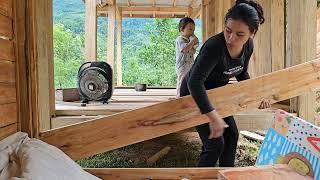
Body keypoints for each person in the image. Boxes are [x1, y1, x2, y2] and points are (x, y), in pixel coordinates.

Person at [179, 0, 270, 167]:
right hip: (193, 93)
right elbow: (195, 82)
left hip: (217, 95)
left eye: (240, 34)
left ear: (252, 33)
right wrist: (213, 117)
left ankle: (226, 175)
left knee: (232, 135)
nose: (231, 38)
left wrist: (257, 95)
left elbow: (242, 72)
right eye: (228, 31)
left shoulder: (248, 47)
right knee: (215, 143)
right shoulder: (214, 47)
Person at [175, 17, 199, 97]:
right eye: (190, 29)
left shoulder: (189, 40)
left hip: (190, 65)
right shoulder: (180, 39)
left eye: (193, 30)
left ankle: (187, 96)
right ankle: (178, 97)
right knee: (181, 81)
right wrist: (192, 42)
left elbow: (193, 50)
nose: (192, 32)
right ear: (182, 29)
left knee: (189, 81)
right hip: (182, 66)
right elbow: (184, 49)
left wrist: (194, 43)